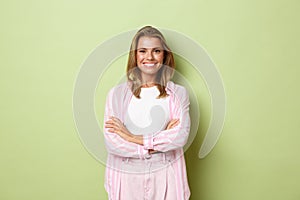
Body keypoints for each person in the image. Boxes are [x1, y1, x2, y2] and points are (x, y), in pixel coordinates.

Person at [103, 25, 191, 200]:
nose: (149, 57)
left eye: (156, 51)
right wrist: (160, 139)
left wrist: (131, 136)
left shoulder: (178, 94)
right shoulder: (117, 95)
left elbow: (180, 136)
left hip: (167, 175)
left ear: (164, 55)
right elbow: (112, 142)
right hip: (127, 176)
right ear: (135, 56)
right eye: (142, 51)